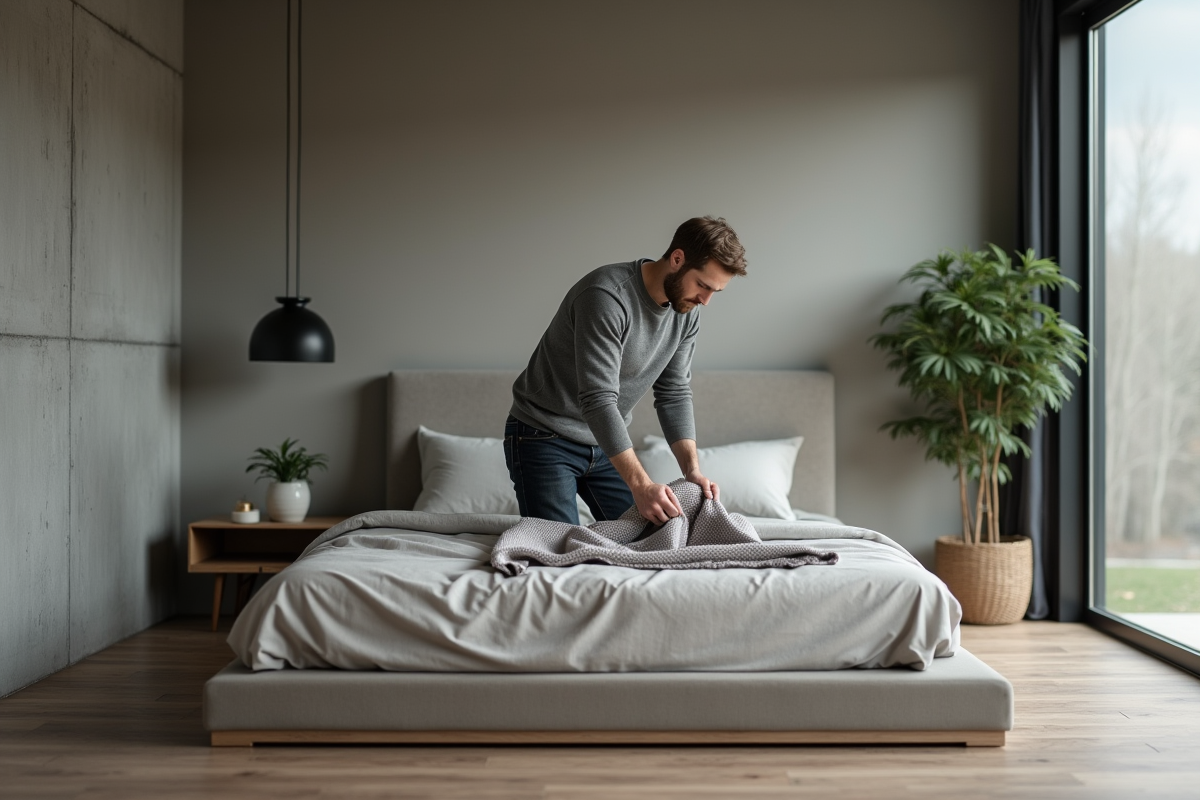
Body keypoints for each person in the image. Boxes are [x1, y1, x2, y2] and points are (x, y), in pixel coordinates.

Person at [504, 216, 747, 525]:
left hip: (604, 443)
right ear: (677, 259)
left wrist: (692, 470)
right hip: (543, 436)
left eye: (715, 291)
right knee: (559, 548)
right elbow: (598, 399)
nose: (706, 300)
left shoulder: (686, 313)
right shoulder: (606, 297)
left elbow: (674, 392)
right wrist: (641, 485)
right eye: (702, 285)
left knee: (654, 538)